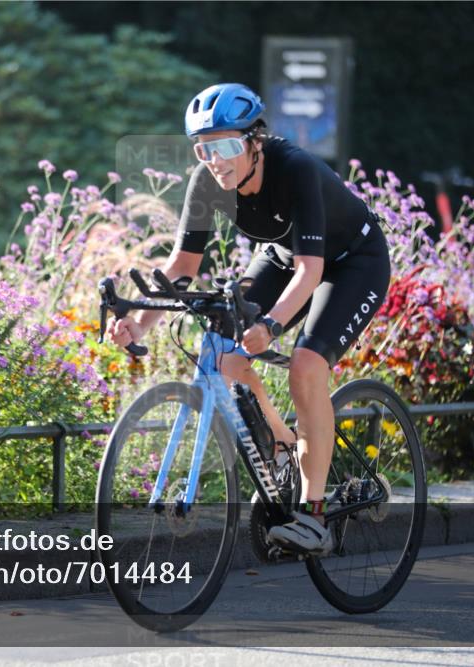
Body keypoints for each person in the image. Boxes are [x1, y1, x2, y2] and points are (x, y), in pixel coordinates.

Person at [107, 83, 392, 554]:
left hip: (353, 260)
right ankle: (283, 445)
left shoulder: (295, 169)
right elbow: (182, 268)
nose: (214, 159)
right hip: (283, 255)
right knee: (222, 353)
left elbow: (312, 271)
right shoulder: (207, 181)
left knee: (305, 366)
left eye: (225, 146)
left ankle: (314, 516)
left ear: (254, 141)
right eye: (203, 149)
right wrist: (138, 322)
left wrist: (273, 325)